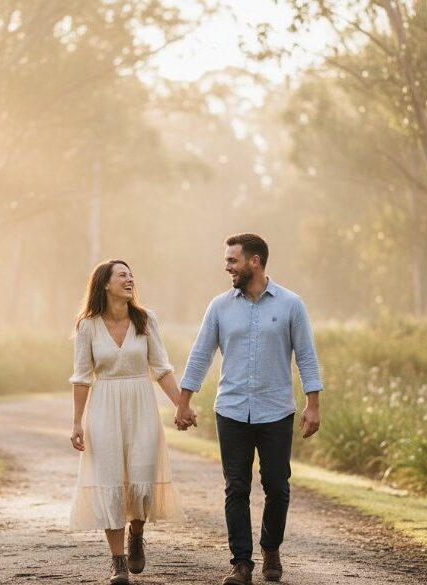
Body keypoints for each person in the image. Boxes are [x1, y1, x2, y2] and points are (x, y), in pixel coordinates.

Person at [175, 233, 323, 585]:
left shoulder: (290, 304)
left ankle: (271, 548)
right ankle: (241, 564)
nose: (227, 267)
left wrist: (312, 404)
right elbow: (201, 354)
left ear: (254, 261)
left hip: (276, 410)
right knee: (236, 487)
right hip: (232, 410)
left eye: (232, 260)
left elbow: (305, 355)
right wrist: (184, 400)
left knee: (277, 485)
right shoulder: (219, 306)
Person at [69, 259, 186, 585]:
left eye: (131, 274)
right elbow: (81, 377)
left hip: (141, 405)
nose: (130, 279)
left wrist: (181, 404)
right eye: (122, 275)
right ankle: (117, 561)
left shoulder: (146, 320)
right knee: (109, 479)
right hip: (104, 406)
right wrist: (77, 422)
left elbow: (161, 368)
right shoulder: (87, 326)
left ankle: (137, 530)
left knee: (141, 480)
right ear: (105, 284)